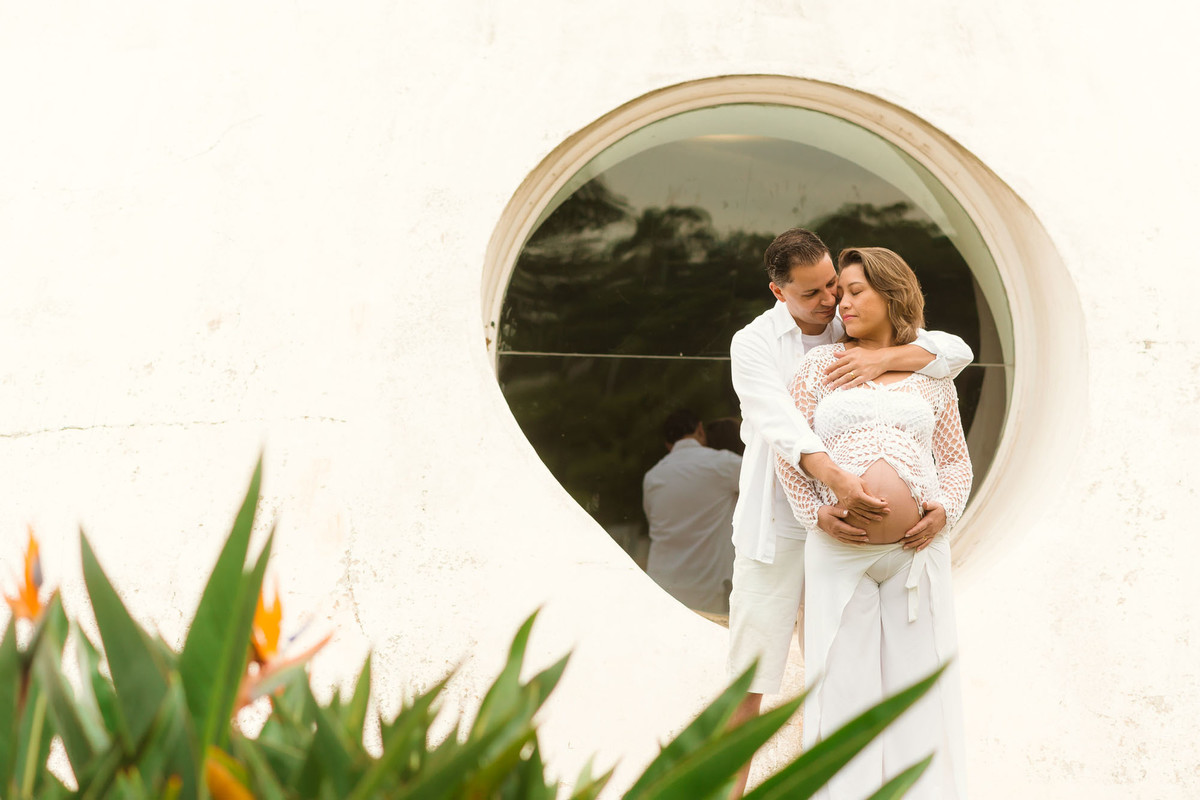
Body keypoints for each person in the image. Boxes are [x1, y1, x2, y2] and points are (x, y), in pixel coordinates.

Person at [725, 228, 972, 797]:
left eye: (835, 286)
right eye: (813, 292)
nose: (832, 301)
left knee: (852, 676)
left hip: (869, 547)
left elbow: (955, 352)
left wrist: (885, 356)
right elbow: (784, 429)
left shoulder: (851, 325)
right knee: (752, 677)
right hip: (780, 528)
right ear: (778, 292)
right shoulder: (755, 343)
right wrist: (826, 500)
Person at [643, 409, 741, 614]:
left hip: (660, 587)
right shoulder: (724, 464)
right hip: (706, 590)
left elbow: (653, 521)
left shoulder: (652, 477)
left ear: (668, 444)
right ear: (700, 429)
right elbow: (766, 488)